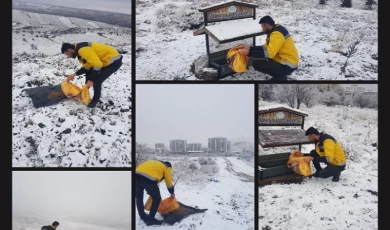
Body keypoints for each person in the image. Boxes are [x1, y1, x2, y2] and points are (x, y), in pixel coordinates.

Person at [61, 42, 123, 108]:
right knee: (88, 75)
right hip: (104, 61)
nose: (69, 56)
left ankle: (95, 100)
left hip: (113, 61)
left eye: (67, 54)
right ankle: (84, 93)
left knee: (97, 82)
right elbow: (87, 67)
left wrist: (91, 79)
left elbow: (97, 65)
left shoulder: (82, 50)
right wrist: (75, 74)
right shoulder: (79, 53)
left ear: (69, 50)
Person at [238, 15, 299, 81]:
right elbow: (265, 48)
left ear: (266, 25)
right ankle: (281, 74)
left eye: (262, 27)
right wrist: (251, 48)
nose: (262, 29)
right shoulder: (275, 30)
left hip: (288, 65)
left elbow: (269, 54)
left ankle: (281, 77)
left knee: (257, 64)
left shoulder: (277, 34)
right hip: (284, 60)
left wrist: (249, 53)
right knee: (258, 62)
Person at [136, 160, 175, 226]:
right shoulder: (167, 167)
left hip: (135, 175)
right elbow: (168, 181)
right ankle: (150, 220)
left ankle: (142, 216)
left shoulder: (155, 162)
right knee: (157, 199)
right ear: (170, 166)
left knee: (139, 198)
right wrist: (172, 192)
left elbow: (150, 172)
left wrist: (150, 189)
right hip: (148, 179)